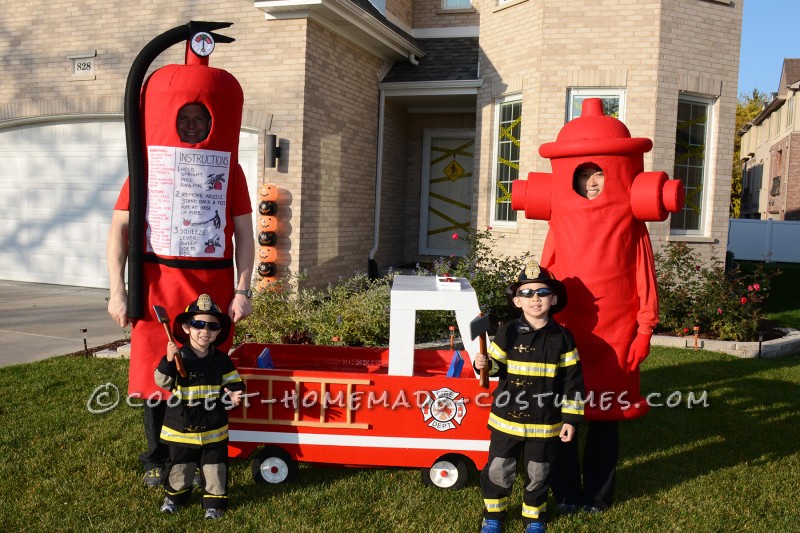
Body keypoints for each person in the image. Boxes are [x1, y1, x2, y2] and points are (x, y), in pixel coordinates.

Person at [107, 101, 254, 487]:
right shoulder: (146, 168)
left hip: (212, 288)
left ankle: (207, 450)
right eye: (183, 118)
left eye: (200, 118)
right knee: (158, 374)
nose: (191, 126)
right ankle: (158, 456)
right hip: (158, 286)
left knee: (208, 369)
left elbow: (245, 236)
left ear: (211, 123)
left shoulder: (231, 171)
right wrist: (117, 291)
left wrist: (243, 290)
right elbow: (118, 233)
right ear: (171, 122)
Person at [548, 161, 652, 514]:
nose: (592, 182)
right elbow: (547, 270)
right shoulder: (559, 218)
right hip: (566, 331)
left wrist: (645, 329)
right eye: (583, 174)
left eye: (600, 174)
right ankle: (564, 493)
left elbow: (644, 276)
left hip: (617, 335)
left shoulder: (631, 218)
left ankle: (597, 496)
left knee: (606, 419)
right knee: (564, 415)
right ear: (571, 178)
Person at [474, 260, 584, 533]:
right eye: (527, 293)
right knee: (499, 468)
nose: (535, 299)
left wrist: (570, 419)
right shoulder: (506, 331)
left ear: (554, 298)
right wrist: (483, 364)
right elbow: (496, 367)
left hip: (545, 420)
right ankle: (493, 516)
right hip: (506, 419)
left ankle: (534, 519)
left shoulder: (564, 338)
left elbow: (573, 382)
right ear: (517, 302)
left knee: (539, 472)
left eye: (542, 293)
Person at [154, 293, 246, 520]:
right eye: (198, 324)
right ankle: (174, 498)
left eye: (212, 326)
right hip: (181, 428)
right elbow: (162, 382)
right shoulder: (178, 358)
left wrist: (235, 393)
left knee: (215, 468)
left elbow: (234, 382)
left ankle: (214, 505)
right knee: (180, 467)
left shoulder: (222, 360)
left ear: (218, 331)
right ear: (186, 327)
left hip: (213, 427)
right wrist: (167, 360)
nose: (205, 330)